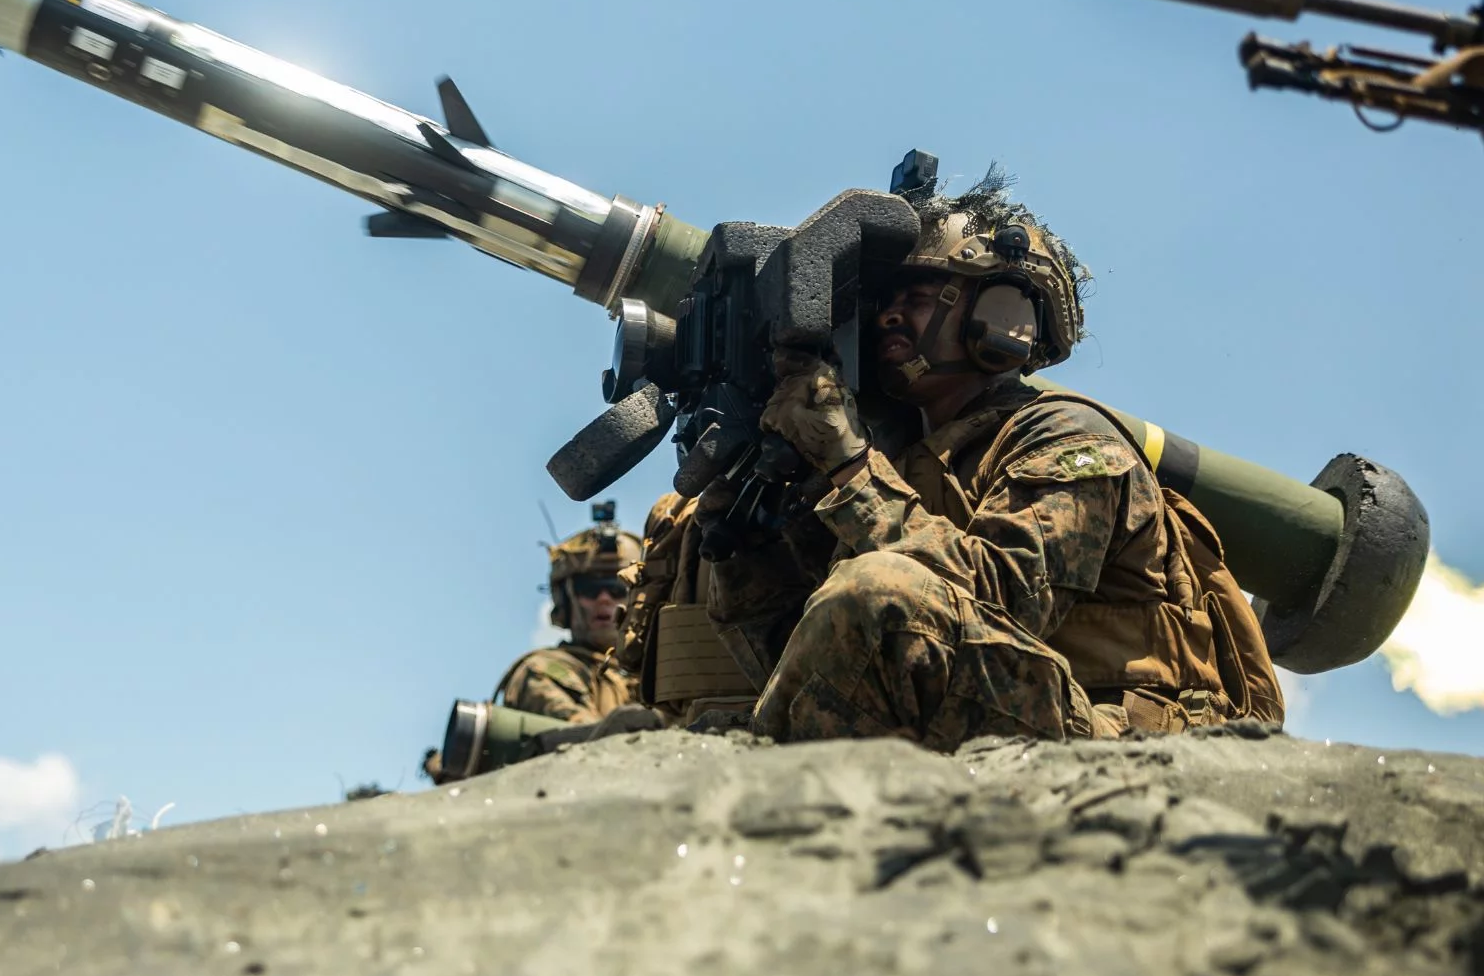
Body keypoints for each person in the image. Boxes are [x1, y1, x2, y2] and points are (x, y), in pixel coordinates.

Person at [708, 169, 1283, 748]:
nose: (887, 316)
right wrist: (744, 550)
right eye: (887, 301)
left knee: (879, 592)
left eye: (918, 296)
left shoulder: (1070, 438)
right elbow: (824, 666)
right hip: (992, 722)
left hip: (1113, 738)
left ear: (1003, 314)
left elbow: (1006, 600)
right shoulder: (903, 462)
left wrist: (851, 468)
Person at [491, 507, 642, 724]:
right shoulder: (543, 671)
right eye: (589, 589)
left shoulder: (663, 675)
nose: (604, 599)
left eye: (618, 588)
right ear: (565, 601)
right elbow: (586, 737)